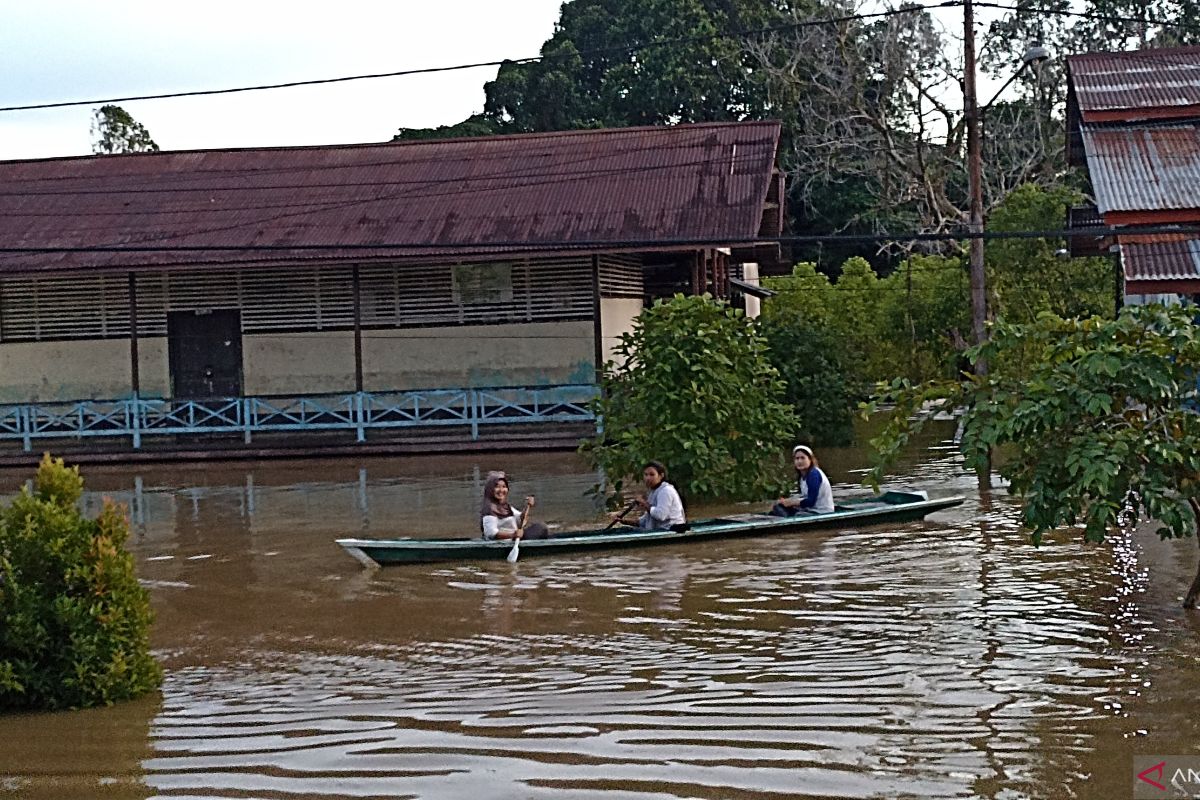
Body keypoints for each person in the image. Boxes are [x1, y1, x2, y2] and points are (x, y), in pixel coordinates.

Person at [612, 460, 686, 531]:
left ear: (661, 475)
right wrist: (623, 521)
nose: (648, 478)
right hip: (659, 530)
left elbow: (661, 516)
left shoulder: (666, 491)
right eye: (646, 475)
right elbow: (644, 521)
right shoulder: (653, 492)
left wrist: (644, 503)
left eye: (652, 475)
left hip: (673, 529)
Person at [479, 471, 550, 541]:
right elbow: (490, 533)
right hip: (508, 541)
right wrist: (513, 535)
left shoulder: (506, 507)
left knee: (540, 527)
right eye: (497, 487)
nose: (501, 490)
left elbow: (520, 520)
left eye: (504, 487)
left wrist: (528, 506)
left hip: (515, 539)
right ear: (490, 489)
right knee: (540, 528)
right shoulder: (489, 509)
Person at [770, 444, 835, 515]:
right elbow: (804, 497)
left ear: (810, 460)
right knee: (778, 507)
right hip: (811, 509)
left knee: (794, 514)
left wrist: (792, 503)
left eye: (803, 458)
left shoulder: (813, 474)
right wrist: (787, 501)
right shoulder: (802, 477)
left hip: (821, 511)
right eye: (797, 458)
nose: (799, 461)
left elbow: (810, 501)